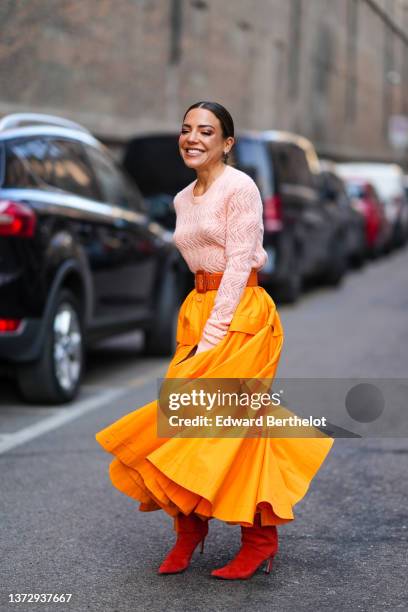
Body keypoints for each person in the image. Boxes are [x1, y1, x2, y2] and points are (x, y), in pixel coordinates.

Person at [95, 100, 335, 580]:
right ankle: (190, 528)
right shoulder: (183, 198)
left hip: (241, 313)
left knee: (235, 429)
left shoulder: (239, 186)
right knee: (184, 423)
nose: (193, 138)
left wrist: (215, 332)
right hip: (199, 310)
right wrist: (197, 323)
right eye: (186, 129)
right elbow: (193, 259)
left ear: (226, 143)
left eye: (206, 131)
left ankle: (260, 540)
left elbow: (241, 261)